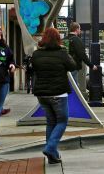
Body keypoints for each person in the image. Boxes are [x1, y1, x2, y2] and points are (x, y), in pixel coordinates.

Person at [32, 27, 76, 164]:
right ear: (58, 39)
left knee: (51, 121)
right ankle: (50, 147)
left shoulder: (37, 54)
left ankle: (53, 155)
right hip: (58, 94)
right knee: (62, 121)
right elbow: (73, 66)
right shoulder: (62, 53)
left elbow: (33, 68)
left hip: (42, 94)